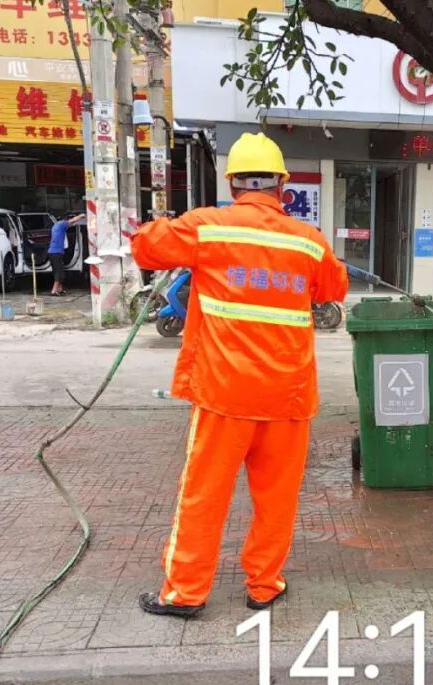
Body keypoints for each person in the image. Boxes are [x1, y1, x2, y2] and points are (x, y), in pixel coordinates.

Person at [131, 132, 350, 618]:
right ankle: (264, 586)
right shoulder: (308, 241)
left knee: (204, 496)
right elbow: (334, 288)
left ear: (233, 185)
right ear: (281, 187)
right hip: (288, 399)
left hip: (224, 396)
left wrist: (163, 222)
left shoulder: (208, 228)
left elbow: (146, 248)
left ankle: (185, 593)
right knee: (277, 501)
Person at [48, 213, 85, 296]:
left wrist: (75, 221)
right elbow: (72, 221)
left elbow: (71, 224)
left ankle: (59, 289)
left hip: (53, 252)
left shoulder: (56, 226)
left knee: (57, 271)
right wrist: (81, 216)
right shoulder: (61, 224)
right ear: (65, 219)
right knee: (59, 272)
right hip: (56, 252)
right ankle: (54, 291)